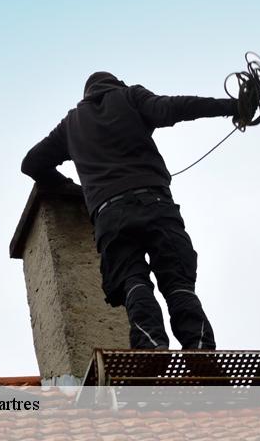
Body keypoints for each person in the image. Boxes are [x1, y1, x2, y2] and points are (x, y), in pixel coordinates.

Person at [21, 71, 241, 350]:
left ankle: (151, 348)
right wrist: (231, 106)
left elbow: (31, 164)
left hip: (109, 216)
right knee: (178, 283)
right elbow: (175, 107)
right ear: (117, 84)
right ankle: (200, 351)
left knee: (133, 281)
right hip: (156, 204)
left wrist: (71, 188)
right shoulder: (130, 97)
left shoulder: (71, 124)